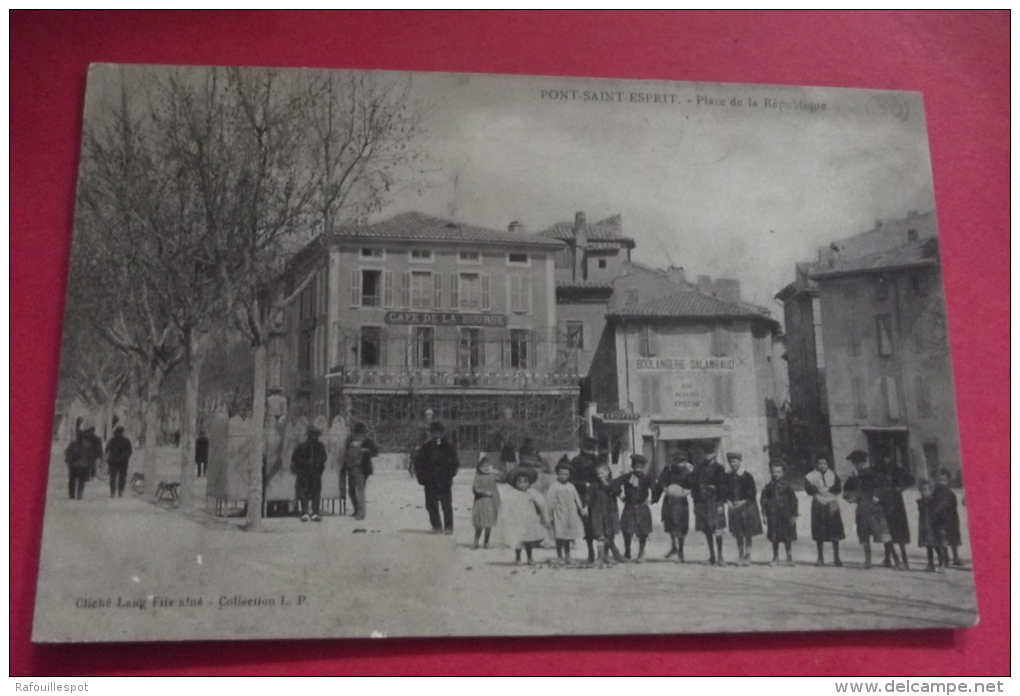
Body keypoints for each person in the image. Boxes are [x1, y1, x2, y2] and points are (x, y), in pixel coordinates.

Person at [842, 449, 892, 570]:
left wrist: (877, 496)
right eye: (855, 463)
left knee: (883, 533)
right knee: (863, 533)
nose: (857, 465)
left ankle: (889, 559)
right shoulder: (854, 476)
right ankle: (868, 560)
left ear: (863, 462)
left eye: (859, 462)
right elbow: (846, 492)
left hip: (875, 507)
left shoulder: (872, 473)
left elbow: (883, 486)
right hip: (862, 508)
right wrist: (850, 498)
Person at [681, 443, 729, 566]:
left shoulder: (719, 468)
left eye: (710, 453)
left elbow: (722, 487)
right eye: (706, 453)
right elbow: (693, 485)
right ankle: (712, 557)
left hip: (714, 502)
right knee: (707, 529)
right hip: (702, 502)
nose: (707, 455)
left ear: (714, 454)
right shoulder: (699, 467)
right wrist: (696, 503)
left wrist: (720, 503)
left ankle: (720, 557)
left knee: (717, 528)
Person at [413, 421, 460, 534]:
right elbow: (418, 463)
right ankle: (436, 525)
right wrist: (422, 476)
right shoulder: (425, 447)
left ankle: (448, 526)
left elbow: (454, 463)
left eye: (439, 432)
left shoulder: (449, 447)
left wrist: (449, 474)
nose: (437, 434)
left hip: (444, 480)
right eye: (434, 432)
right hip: (430, 480)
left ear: (443, 433)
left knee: (446, 504)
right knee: (431, 504)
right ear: (431, 433)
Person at [500, 466, 549, 565]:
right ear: (515, 483)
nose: (523, 484)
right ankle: (518, 558)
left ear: (529, 483)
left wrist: (544, 516)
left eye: (525, 482)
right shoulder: (512, 494)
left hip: (529, 520)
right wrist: (508, 519)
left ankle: (530, 558)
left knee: (529, 540)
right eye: (520, 482)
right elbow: (506, 507)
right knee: (518, 540)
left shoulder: (531, 493)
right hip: (517, 520)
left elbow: (541, 503)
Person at [803, 455, 845, 566]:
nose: (822, 466)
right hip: (818, 504)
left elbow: (838, 488)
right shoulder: (810, 476)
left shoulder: (833, 475)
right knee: (819, 531)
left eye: (824, 463)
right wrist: (819, 490)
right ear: (816, 464)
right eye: (820, 463)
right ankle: (820, 558)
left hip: (831, 504)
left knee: (834, 530)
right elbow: (809, 489)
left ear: (828, 464)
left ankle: (836, 557)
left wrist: (828, 489)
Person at [613, 454, 654, 563]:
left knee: (643, 532)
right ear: (632, 467)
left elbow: (656, 488)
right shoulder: (626, 477)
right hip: (629, 507)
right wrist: (620, 496)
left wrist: (652, 500)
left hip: (642, 507)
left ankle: (641, 553)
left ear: (643, 467)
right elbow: (614, 484)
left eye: (640, 467)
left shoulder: (646, 479)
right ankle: (627, 553)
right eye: (636, 467)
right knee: (627, 531)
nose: (638, 470)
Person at [652, 450, 691, 563]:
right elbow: (661, 481)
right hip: (669, 500)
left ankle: (681, 552)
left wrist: (685, 492)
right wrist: (664, 488)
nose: (680, 465)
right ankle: (674, 546)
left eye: (682, 462)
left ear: (686, 462)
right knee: (669, 524)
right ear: (674, 461)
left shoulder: (688, 472)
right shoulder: (668, 469)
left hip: (680, 501)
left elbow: (692, 485)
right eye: (677, 462)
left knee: (681, 526)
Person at [724, 452, 763, 567]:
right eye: (730, 461)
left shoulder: (747, 476)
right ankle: (740, 554)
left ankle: (748, 555)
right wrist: (728, 501)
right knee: (738, 533)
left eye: (735, 461)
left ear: (740, 461)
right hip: (734, 508)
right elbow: (724, 490)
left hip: (746, 507)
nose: (732, 464)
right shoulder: (727, 476)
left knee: (747, 532)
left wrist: (743, 502)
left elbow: (752, 494)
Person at [877, 454, 914, 569]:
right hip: (884, 503)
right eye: (883, 457)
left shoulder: (899, 470)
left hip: (897, 505)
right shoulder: (878, 471)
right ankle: (888, 559)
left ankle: (904, 560)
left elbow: (911, 480)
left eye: (887, 456)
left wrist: (901, 487)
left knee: (899, 532)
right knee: (886, 531)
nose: (885, 459)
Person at [545, 461, 586, 565]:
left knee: (568, 536)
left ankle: (568, 556)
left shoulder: (571, 486)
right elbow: (549, 500)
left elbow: (577, 498)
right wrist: (549, 513)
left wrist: (581, 508)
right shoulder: (554, 486)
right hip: (559, 514)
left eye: (566, 474)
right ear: (557, 474)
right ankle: (559, 556)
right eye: (561, 474)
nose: (563, 476)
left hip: (570, 514)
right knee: (559, 536)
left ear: (569, 475)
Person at [760, 461, 799, 567]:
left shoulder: (787, 486)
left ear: (783, 473)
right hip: (773, 516)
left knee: (787, 538)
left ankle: (789, 558)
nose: (776, 474)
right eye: (774, 472)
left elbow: (793, 500)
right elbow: (763, 500)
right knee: (774, 538)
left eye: (778, 472)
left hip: (785, 515)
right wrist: (764, 514)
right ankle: (775, 557)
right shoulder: (768, 487)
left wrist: (794, 515)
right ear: (771, 472)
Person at [569, 436, 601, 564]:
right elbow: (571, 479)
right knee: (588, 526)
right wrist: (584, 484)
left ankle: (602, 554)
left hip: (597, 495)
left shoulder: (597, 460)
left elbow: (605, 474)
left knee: (599, 524)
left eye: (592, 449)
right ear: (583, 448)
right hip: (582, 495)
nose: (591, 451)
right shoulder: (576, 461)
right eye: (588, 448)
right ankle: (590, 552)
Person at [587, 462, 622, 568]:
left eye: (602, 474)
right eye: (598, 474)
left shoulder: (613, 483)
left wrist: (607, 484)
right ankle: (600, 556)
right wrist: (585, 506)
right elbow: (588, 496)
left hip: (610, 512)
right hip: (597, 512)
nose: (600, 476)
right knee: (600, 535)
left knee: (609, 534)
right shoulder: (594, 485)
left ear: (607, 473)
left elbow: (617, 491)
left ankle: (607, 555)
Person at [291, 424, 327, 522]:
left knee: (315, 492)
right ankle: (305, 512)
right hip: (304, 473)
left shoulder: (320, 446)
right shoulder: (302, 446)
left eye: (315, 434)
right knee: (304, 493)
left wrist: (318, 466)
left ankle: (315, 512)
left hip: (315, 473)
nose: (313, 436)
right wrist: (304, 464)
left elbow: (324, 458)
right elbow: (295, 458)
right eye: (311, 434)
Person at [342, 422, 377, 521]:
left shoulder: (367, 442)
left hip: (361, 469)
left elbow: (374, 452)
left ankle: (361, 513)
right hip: (352, 468)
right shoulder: (350, 441)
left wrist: (365, 451)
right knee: (352, 491)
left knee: (359, 491)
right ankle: (357, 510)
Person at [916, 480, 949, 573]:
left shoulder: (935, 501)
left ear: (931, 490)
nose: (923, 492)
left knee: (937, 546)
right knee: (928, 546)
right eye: (921, 490)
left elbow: (941, 515)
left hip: (934, 527)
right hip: (925, 527)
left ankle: (941, 564)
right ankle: (930, 564)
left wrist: (942, 527)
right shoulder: (922, 502)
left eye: (925, 490)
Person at [934, 469, 964, 566]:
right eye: (939, 480)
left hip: (951, 518)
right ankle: (946, 556)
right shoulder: (935, 492)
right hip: (940, 519)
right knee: (943, 538)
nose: (942, 482)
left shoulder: (950, 493)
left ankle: (955, 557)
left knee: (954, 538)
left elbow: (954, 504)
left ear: (948, 480)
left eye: (944, 480)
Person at [471, 456, 500, 549]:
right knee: (480, 523)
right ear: (479, 467)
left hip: (492, 502)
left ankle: (486, 541)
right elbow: (475, 489)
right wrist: (483, 492)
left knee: (489, 523)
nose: (486, 468)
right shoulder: (478, 477)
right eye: (484, 466)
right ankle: (476, 541)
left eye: (489, 465)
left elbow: (503, 478)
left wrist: (497, 472)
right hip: (481, 502)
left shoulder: (493, 476)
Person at [105, 425, 133, 498]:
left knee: (113, 476)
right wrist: (127, 458)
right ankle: (120, 491)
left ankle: (112, 492)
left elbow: (107, 450)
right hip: (123, 461)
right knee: (122, 476)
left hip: (113, 460)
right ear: (122, 432)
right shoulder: (126, 440)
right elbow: (130, 451)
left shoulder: (112, 440)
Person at [64, 429, 91, 500]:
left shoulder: (73, 443)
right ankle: (80, 494)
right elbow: (90, 456)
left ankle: (72, 494)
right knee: (81, 480)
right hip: (83, 465)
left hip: (73, 465)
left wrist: (68, 460)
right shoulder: (87, 444)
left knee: (72, 480)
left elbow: (67, 452)